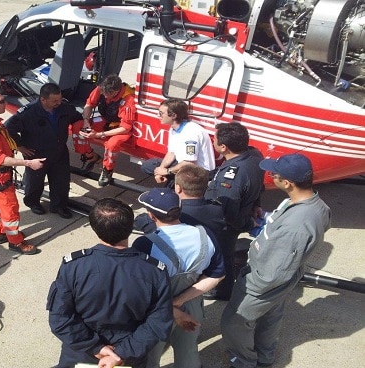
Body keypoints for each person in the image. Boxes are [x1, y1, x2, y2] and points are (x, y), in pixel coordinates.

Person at [221, 153, 331, 368]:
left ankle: (244, 362)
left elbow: (274, 272)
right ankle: (264, 357)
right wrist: (269, 222)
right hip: (284, 279)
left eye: (275, 174)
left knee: (234, 322)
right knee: (270, 317)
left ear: (287, 182)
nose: (271, 176)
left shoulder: (296, 225)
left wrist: (253, 285)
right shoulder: (315, 205)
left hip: (264, 280)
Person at [47, 198, 175, 368]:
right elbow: (159, 322)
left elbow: (60, 318)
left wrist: (95, 347)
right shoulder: (154, 271)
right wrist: (121, 353)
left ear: (95, 228)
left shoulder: (74, 266)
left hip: (81, 353)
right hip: (130, 355)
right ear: (130, 228)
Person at [133, 188, 224, 368]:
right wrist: (180, 301)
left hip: (157, 310)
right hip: (191, 306)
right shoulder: (204, 235)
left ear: (151, 216)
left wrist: (170, 306)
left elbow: (140, 289)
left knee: (150, 355)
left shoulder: (145, 244)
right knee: (188, 351)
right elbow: (217, 275)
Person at [0, 86, 45, 255]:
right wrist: (29, 163)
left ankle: (1, 233)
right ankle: (16, 242)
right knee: (10, 208)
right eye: (1, 101)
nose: (5, 102)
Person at [204, 122, 264, 300]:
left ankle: (221, 290)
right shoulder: (254, 154)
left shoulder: (231, 177)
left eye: (214, 139)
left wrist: (247, 223)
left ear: (223, 147)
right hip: (244, 209)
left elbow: (228, 213)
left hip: (225, 226)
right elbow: (258, 184)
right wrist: (256, 204)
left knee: (222, 255)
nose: (212, 141)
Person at [5, 83, 82, 219]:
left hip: (59, 152)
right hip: (37, 154)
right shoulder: (28, 113)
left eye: (59, 99)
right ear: (43, 99)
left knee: (61, 181)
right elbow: (7, 128)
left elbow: (77, 117)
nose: (58, 103)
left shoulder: (64, 108)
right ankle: (33, 203)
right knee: (35, 182)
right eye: (54, 101)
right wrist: (19, 146)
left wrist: (84, 124)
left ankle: (58, 206)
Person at [72, 74, 136, 187]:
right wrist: (86, 121)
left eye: (107, 95)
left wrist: (98, 134)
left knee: (112, 144)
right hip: (106, 120)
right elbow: (89, 104)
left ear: (115, 92)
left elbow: (126, 128)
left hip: (121, 127)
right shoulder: (101, 89)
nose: (104, 97)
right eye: (103, 93)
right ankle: (90, 156)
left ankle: (107, 170)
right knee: (78, 126)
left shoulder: (128, 99)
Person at [141, 99, 215, 185]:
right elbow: (171, 153)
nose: (158, 115)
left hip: (198, 172)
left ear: (173, 116)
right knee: (147, 166)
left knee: (168, 190)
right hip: (184, 165)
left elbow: (189, 163)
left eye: (161, 113)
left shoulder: (191, 133)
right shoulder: (174, 128)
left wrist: (167, 171)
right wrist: (160, 170)